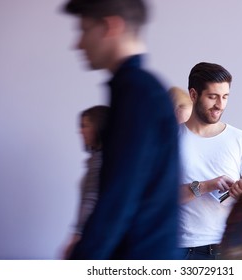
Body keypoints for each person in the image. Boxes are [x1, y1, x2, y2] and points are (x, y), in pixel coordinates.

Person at [63, 0, 180, 259]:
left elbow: (120, 195)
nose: (78, 43)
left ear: (110, 26)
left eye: (84, 30)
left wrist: (81, 260)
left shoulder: (136, 91)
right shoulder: (141, 89)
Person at [178, 62, 242, 260]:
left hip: (229, 249)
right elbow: (159, 197)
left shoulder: (241, 139)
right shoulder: (168, 139)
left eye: (225, 97)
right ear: (194, 95)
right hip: (180, 250)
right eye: (212, 97)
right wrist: (205, 186)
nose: (220, 105)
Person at [62, 105, 109, 259]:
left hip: (94, 236)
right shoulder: (98, 158)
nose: (80, 131)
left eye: (85, 125)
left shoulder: (100, 160)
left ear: (98, 127)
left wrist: (78, 235)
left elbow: (91, 199)